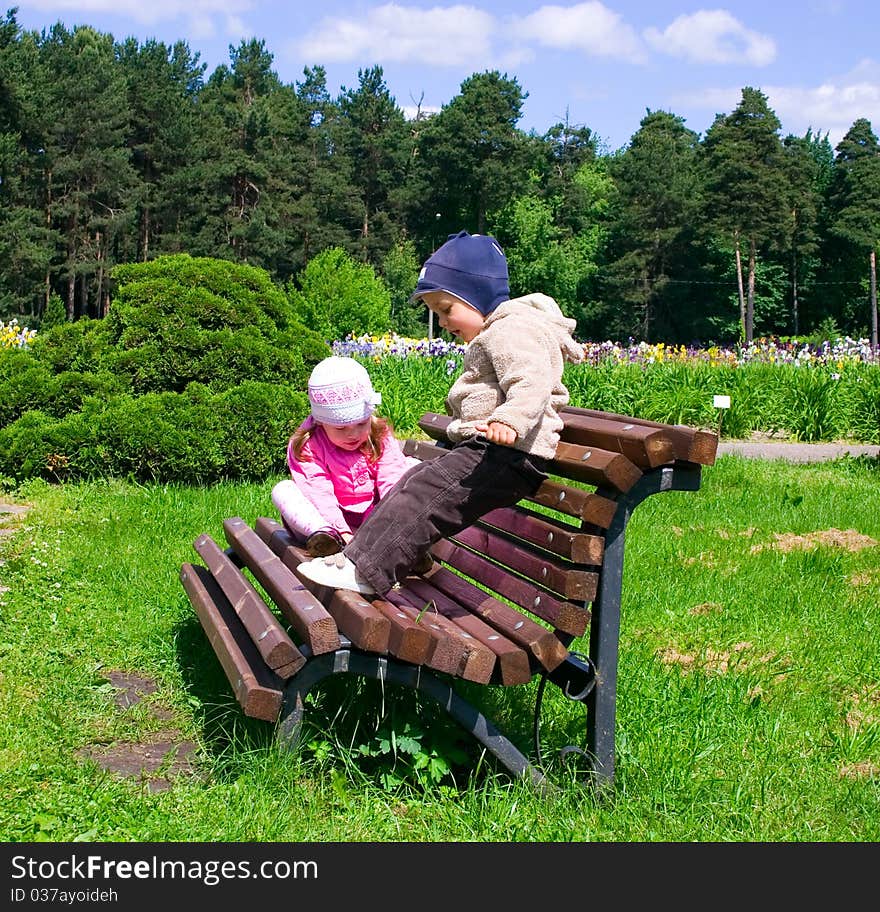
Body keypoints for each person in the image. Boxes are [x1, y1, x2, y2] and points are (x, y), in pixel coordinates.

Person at [297, 230, 586, 596]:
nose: (445, 322)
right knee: (411, 484)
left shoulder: (513, 329)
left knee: (424, 495)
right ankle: (363, 557)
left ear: (476, 294)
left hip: (508, 454)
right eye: (437, 313)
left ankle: (365, 571)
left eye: (447, 310)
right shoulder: (499, 330)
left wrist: (509, 421)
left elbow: (531, 379)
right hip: (493, 451)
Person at [271, 356, 418, 557]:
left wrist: (392, 519)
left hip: (374, 516)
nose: (353, 434)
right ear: (320, 422)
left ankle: (403, 541)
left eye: (361, 423)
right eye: (340, 428)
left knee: (410, 466)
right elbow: (318, 492)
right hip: (322, 518)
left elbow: (391, 478)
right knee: (284, 489)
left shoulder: (378, 434)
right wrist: (343, 532)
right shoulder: (309, 444)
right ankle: (327, 539)